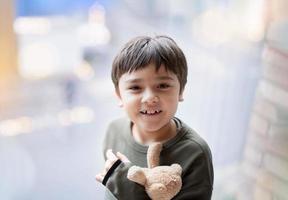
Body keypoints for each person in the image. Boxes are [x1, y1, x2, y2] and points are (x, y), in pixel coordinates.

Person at [95, 35, 214, 200]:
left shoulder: (194, 153)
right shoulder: (114, 131)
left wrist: (129, 190)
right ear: (119, 95)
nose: (150, 98)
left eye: (163, 86)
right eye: (135, 87)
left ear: (181, 91)